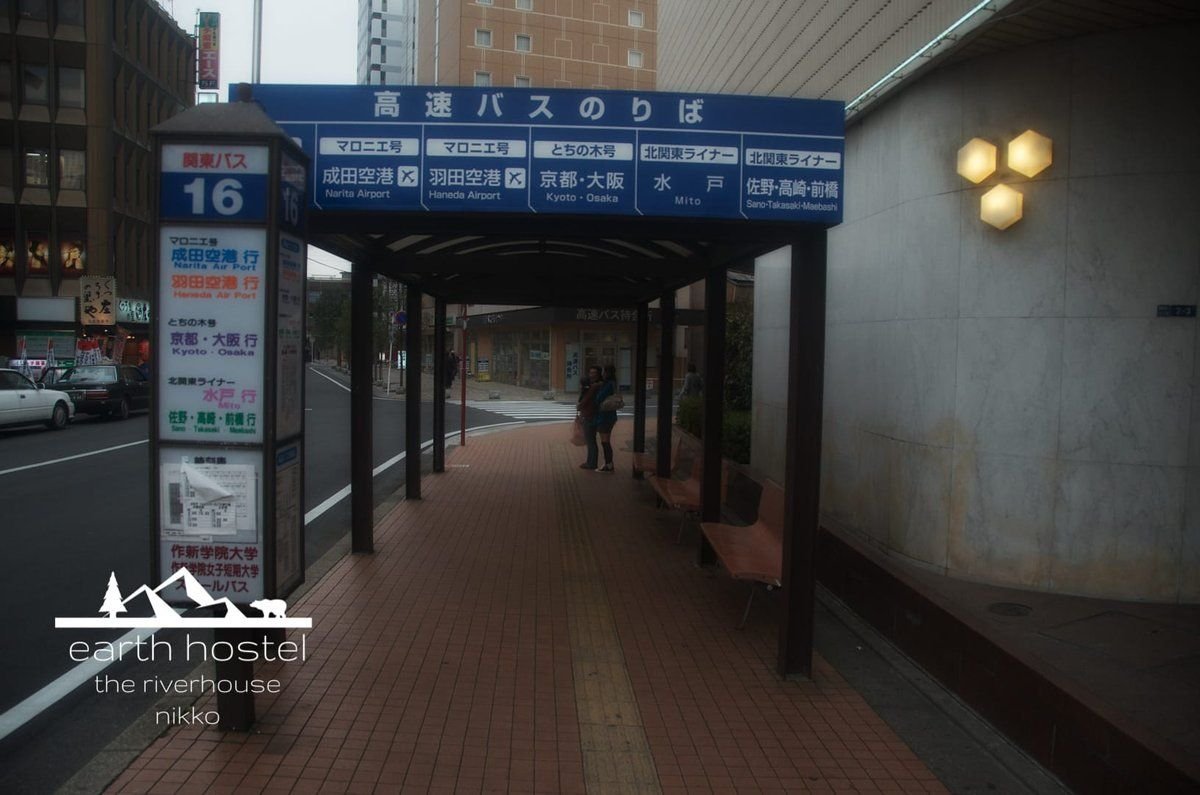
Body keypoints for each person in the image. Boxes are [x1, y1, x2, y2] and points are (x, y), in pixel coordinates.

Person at [593, 365, 620, 472]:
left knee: (605, 441)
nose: (602, 374)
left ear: (607, 373)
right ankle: (609, 463)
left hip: (605, 416)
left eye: (604, 372)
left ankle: (608, 464)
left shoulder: (608, 384)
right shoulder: (613, 383)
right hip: (610, 416)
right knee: (606, 441)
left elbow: (599, 398)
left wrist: (598, 392)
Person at [577, 365, 603, 470]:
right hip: (592, 415)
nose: (591, 375)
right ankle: (590, 462)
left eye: (594, 373)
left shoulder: (594, 387)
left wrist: (579, 406)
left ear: (599, 374)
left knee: (590, 441)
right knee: (591, 441)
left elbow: (583, 402)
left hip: (590, 416)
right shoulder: (596, 386)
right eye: (590, 373)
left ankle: (591, 463)